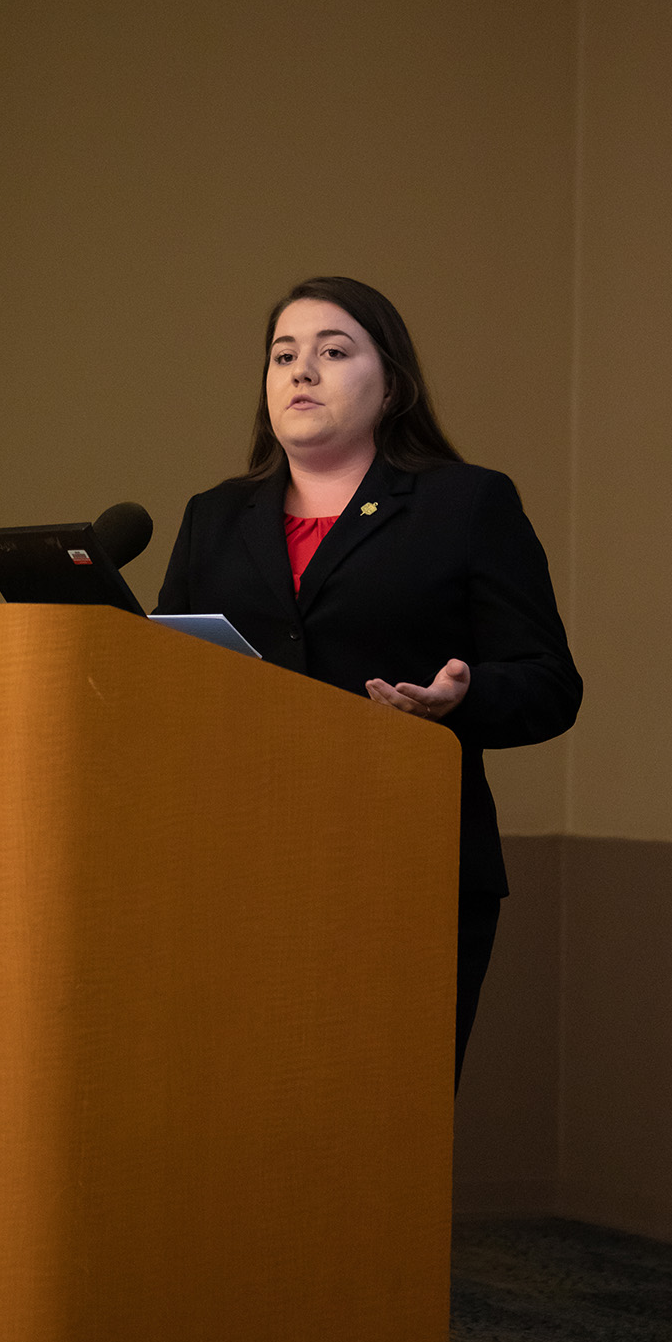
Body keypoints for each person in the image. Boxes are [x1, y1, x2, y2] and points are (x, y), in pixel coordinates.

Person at [157, 276, 581, 1089]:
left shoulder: (467, 505)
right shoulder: (214, 517)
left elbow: (551, 683)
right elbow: (169, 672)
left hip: (406, 866)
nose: (301, 371)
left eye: (333, 351)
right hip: (241, 870)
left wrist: (462, 700)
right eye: (285, 355)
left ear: (392, 385)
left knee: (377, 1117)